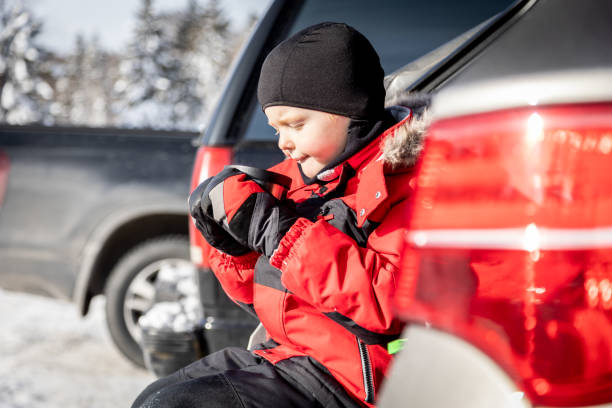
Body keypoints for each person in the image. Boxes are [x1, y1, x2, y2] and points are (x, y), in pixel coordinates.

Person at [131, 22, 429, 408]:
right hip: (288, 353)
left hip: (355, 379)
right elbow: (263, 300)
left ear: (350, 111)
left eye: (296, 124)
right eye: (276, 128)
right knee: (155, 399)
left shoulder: (406, 179)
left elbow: (389, 305)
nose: (284, 142)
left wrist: (276, 231)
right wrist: (233, 246)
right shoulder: (298, 178)